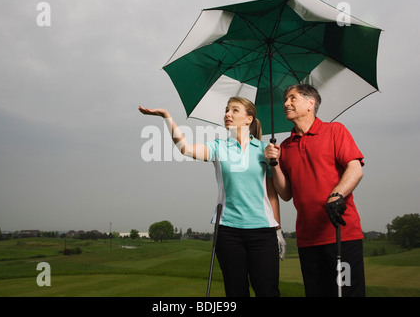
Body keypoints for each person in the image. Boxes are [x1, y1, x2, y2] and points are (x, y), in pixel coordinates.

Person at [139, 97, 286, 297]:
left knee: (268, 292)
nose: (227, 114)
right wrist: (167, 117)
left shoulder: (265, 150)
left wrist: (277, 229)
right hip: (228, 231)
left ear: (248, 119)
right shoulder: (219, 147)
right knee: (235, 292)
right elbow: (185, 148)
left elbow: (272, 194)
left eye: (234, 110)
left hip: (262, 232)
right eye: (227, 110)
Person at [265, 84, 366, 297]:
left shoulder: (335, 130)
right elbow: (285, 193)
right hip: (307, 238)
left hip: (342, 235)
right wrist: (274, 164)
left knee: (347, 294)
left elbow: (355, 169)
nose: (286, 103)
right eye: (285, 99)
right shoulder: (285, 147)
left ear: (311, 103)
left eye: (292, 98)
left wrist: (337, 194)